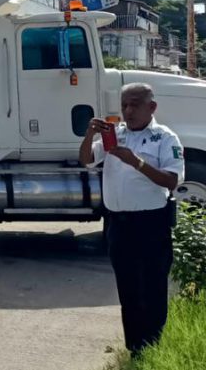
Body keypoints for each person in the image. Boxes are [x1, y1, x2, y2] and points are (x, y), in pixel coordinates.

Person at [79, 82, 184, 357]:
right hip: (118, 224)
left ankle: (155, 345)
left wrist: (136, 162)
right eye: (124, 105)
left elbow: (171, 180)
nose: (128, 110)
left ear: (152, 107)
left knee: (153, 287)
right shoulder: (117, 135)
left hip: (151, 224)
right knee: (128, 289)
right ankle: (136, 348)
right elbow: (86, 159)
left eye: (135, 104)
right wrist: (89, 134)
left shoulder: (165, 138)